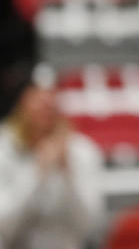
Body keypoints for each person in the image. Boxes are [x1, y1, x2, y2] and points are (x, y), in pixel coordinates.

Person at [0, 65, 106, 249]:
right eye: (37, 96)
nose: (46, 104)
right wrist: (36, 174)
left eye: (51, 96)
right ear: (21, 102)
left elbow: (91, 226)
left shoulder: (80, 150)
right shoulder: (4, 147)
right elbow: (4, 224)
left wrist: (67, 171)